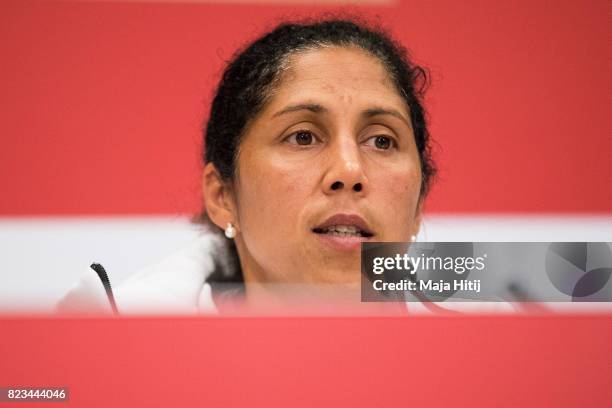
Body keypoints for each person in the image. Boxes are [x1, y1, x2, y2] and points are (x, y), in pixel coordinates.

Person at [59, 17, 444, 315]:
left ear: (419, 202)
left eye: (382, 140)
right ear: (223, 196)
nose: (349, 170)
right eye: (303, 136)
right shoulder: (108, 336)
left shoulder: (500, 324)